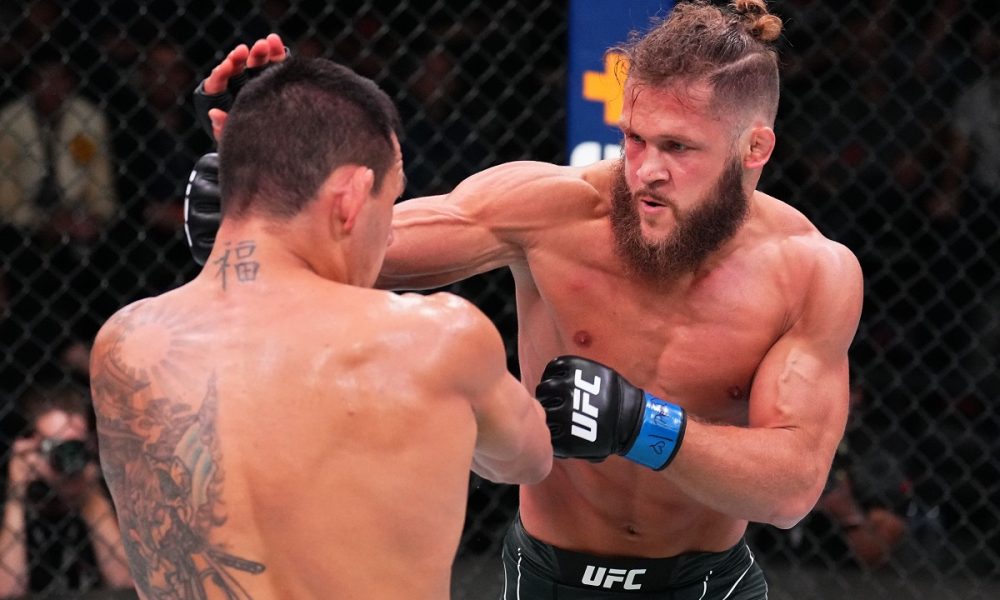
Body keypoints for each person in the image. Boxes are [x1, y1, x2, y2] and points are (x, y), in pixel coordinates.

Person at [190, 1, 863, 597]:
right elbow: (368, 249)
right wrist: (273, 177)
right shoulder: (553, 211)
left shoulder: (809, 272)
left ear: (754, 148)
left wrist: (641, 425)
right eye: (634, 138)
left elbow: (791, 488)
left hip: (709, 584)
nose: (645, 171)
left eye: (678, 147)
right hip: (549, 576)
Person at [89, 56, 552, 599]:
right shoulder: (438, 339)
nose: (390, 233)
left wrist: (257, 159)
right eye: (392, 200)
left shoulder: (126, 345)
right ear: (352, 197)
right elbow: (528, 457)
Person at [0, 385, 132, 597]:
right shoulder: (11, 502)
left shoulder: (108, 492)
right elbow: (7, 592)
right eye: (53, 446)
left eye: (74, 445)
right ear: (29, 448)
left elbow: (127, 583)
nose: (67, 455)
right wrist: (16, 496)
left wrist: (89, 496)